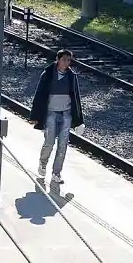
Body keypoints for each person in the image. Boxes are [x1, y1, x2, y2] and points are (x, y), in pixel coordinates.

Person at [29, 49, 84, 185]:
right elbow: (39, 95)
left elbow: (76, 98)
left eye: (68, 60)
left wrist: (79, 121)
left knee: (63, 145)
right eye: (64, 59)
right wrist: (35, 115)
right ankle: (43, 163)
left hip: (66, 114)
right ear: (58, 60)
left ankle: (56, 173)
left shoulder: (72, 76)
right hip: (51, 113)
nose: (66, 62)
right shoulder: (47, 74)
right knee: (49, 142)